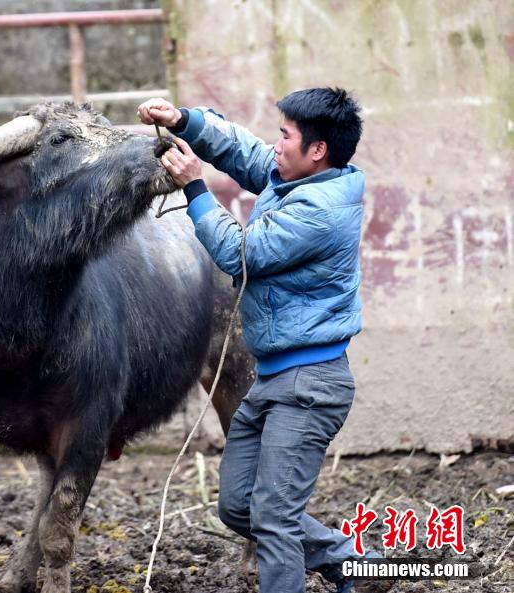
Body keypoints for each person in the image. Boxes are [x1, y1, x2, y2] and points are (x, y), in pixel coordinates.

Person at [139, 88, 389, 593]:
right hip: (273, 378)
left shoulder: (319, 210)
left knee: (274, 519)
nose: (275, 144)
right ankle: (352, 563)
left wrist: (195, 188)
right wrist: (184, 120)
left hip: (309, 385)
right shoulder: (298, 178)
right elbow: (243, 150)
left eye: (285, 135)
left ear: (317, 149)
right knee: (238, 506)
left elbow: (241, 255)